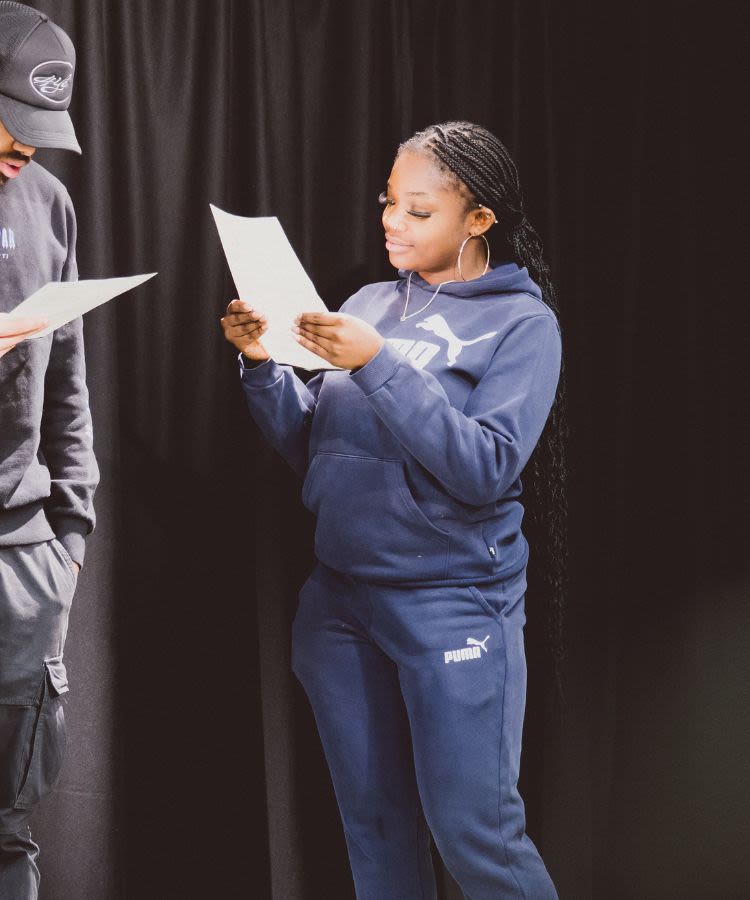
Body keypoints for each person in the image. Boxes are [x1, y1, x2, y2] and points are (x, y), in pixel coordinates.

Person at [222, 121, 563, 899]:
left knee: (476, 835)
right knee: (374, 830)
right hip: (341, 605)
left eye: (418, 209)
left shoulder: (523, 325)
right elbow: (316, 451)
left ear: (479, 220)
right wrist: (261, 366)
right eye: (388, 202)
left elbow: (484, 468)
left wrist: (376, 363)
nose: (391, 222)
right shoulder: (371, 300)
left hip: (452, 606)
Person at [0, 4, 98, 898]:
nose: (24, 149)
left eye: (40, 128)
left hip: (23, 556)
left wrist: (70, 529)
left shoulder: (48, 201)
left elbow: (66, 381)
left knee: (7, 823)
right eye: (10, 122)